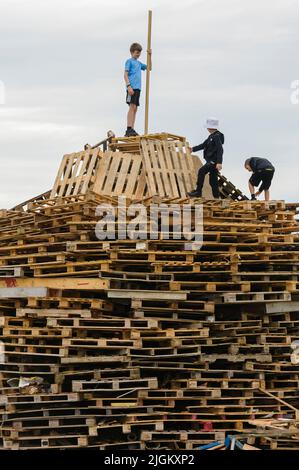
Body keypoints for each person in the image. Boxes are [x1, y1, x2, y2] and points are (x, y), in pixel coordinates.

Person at [188, 118, 224, 198]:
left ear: (211, 127)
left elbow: (220, 149)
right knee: (213, 180)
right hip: (211, 161)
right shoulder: (211, 136)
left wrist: (219, 162)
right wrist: (193, 149)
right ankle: (217, 197)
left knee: (201, 171)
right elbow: (203, 145)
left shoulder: (217, 136)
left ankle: (198, 191)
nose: (207, 128)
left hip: (213, 161)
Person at [124, 43, 149, 137]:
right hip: (132, 87)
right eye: (136, 53)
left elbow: (149, 67)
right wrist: (128, 86)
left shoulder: (139, 63)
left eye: (139, 53)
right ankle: (128, 128)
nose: (138, 54)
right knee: (131, 107)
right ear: (132, 52)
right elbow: (125, 75)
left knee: (135, 108)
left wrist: (150, 55)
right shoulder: (129, 61)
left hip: (138, 88)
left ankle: (132, 128)